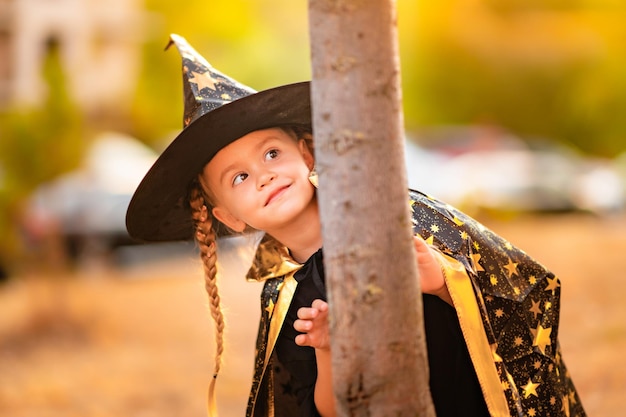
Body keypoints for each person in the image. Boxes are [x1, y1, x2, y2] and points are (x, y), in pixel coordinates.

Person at [126, 34, 586, 417]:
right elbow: (319, 409)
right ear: (228, 216)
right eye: (239, 177)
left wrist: (444, 282)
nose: (264, 173)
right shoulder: (286, 297)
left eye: (271, 153)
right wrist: (328, 350)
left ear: (306, 154)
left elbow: (525, 290)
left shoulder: (393, 216)